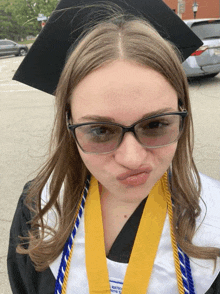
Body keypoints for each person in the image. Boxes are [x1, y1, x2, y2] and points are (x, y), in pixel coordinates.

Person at [7, 1, 220, 293]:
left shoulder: (215, 218)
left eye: (156, 125)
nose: (132, 158)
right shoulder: (39, 210)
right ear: (68, 124)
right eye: (100, 130)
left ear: (183, 112)